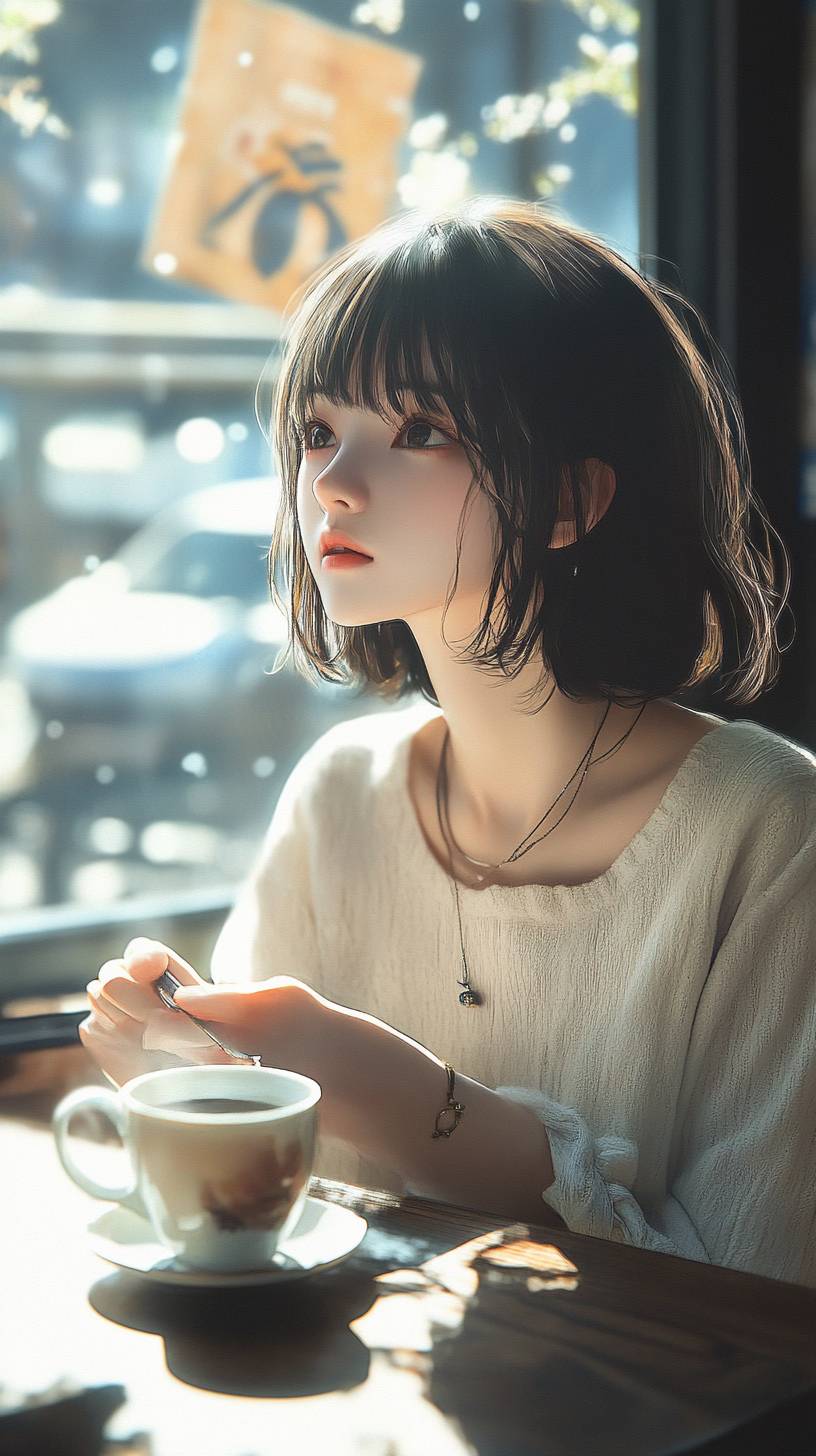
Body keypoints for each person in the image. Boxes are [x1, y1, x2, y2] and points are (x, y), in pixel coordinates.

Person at [80, 196, 816, 1287]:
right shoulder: (340, 794)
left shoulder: (770, 829)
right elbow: (280, 1223)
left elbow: (763, 1321)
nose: (332, 479)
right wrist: (189, 1067)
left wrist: (405, 1097)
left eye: (422, 430)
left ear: (571, 497)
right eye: (321, 429)